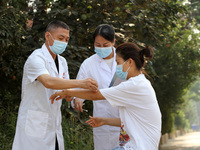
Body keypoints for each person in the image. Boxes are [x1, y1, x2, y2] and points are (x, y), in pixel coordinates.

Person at [50, 42, 162, 150]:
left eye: (118, 63)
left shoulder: (134, 85)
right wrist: (104, 120)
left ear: (130, 62)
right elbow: (129, 121)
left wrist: (67, 91)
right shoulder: (140, 83)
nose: (117, 67)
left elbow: (96, 95)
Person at [12, 20, 98, 150]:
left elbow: (66, 88)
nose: (64, 42)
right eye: (61, 38)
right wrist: (82, 83)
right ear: (48, 36)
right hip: (35, 122)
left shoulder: (62, 62)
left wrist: (71, 95)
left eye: (67, 39)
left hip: (54, 123)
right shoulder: (36, 58)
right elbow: (48, 82)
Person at [72, 24, 122, 150]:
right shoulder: (89, 64)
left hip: (124, 121)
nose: (101, 48)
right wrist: (77, 99)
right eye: (97, 45)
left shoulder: (125, 60)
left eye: (105, 45)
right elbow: (77, 89)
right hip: (102, 125)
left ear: (113, 42)